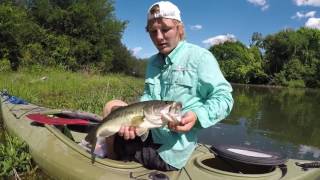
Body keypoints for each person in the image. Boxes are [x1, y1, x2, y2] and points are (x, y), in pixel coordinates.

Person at [102, 1, 234, 171]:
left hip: (169, 151)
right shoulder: (153, 62)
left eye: (165, 29)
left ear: (179, 28)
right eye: (153, 32)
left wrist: (197, 116)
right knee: (111, 106)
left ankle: (117, 158)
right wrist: (133, 123)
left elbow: (224, 98)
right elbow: (148, 98)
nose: (158, 37)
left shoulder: (201, 58)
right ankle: (111, 163)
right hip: (148, 130)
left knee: (119, 142)